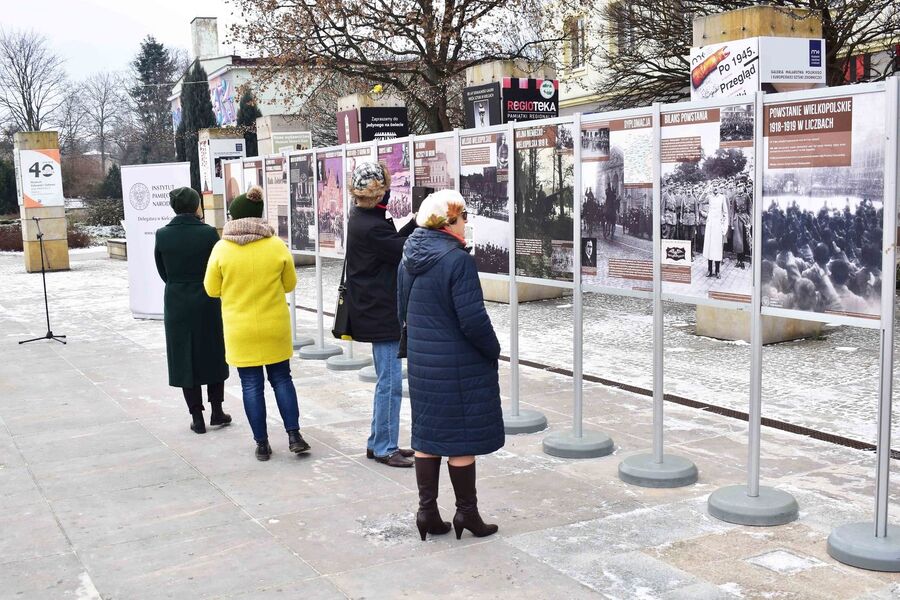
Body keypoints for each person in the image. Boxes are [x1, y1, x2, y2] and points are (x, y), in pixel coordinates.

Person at [398, 189, 504, 542]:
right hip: (457, 363)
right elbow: (472, 319)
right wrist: (493, 349)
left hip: (424, 362)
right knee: (461, 440)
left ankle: (427, 512)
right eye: (463, 217)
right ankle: (467, 513)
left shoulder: (409, 254)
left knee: (427, 436)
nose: (466, 222)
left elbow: (401, 309)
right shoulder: (458, 261)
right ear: (448, 222)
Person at [204, 185, 310, 461]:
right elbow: (290, 284)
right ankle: (294, 435)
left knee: (251, 385)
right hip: (274, 326)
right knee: (282, 379)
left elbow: (211, 289)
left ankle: (262, 444)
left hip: (240, 329)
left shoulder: (221, 249)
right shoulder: (276, 245)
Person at [346, 162, 418, 468]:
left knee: (386, 380)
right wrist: (422, 225)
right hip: (380, 311)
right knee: (390, 383)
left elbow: (391, 244)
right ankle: (385, 447)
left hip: (373, 308)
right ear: (378, 193)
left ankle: (377, 441)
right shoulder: (371, 225)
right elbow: (400, 249)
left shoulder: (362, 217)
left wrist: (413, 224)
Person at [154, 187, 231, 434]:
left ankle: (197, 416)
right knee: (213, 352)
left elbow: (162, 270)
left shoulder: (162, 235)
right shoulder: (208, 233)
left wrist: (179, 284)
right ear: (195, 205)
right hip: (207, 298)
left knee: (184, 356)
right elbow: (218, 266)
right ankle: (217, 410)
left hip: (176, 301)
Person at [703, 182, 729, 278]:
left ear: (719, 188)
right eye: (714, 186)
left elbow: (725, 213)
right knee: (709, 247)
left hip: (718, 225)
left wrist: (725, 227)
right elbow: (700, 200)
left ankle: (717, 271)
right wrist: (706, 190)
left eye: (717, 186)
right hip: (710, 224)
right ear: (712, 187)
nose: (715, 188)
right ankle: (709, 270)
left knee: (717, 248)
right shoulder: (709, 197)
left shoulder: (722, 197)